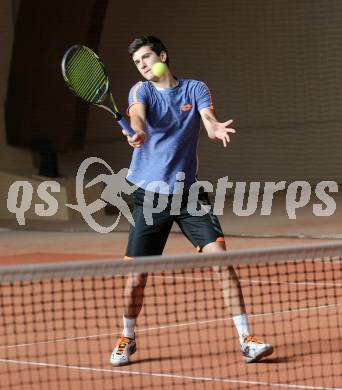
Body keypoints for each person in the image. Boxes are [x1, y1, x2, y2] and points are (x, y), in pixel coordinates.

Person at [109, 36, 273, 366]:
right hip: (150, 197)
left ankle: (246, 338)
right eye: (136, 62)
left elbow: (208, 117)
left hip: (188, 194)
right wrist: (136, 131)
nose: (141, 64)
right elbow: (138, 116)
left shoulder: (195, 88)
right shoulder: (141, 92)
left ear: (163, 56)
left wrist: (212, 128)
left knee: (221, 261)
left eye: (146, 57)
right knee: (137, 277)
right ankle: (127, 336)